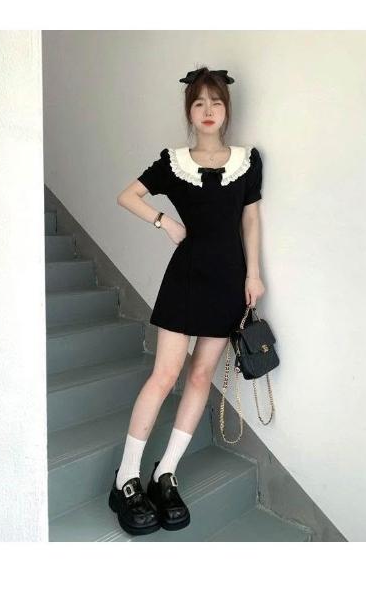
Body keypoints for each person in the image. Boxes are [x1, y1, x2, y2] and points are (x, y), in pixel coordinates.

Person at [110, 66, 265, 536]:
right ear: (189, 112)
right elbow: (127, 196)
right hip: (185, 279)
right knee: (165, 375)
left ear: (226, 109)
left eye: (215, 102)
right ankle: (125, 478)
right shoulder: (174, 162)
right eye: (199, 103)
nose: (208, 110)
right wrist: (164, 222)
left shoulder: (247, 161)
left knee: (200, 376)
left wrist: (253, 275)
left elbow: (251, 220)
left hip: (228, 281)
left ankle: (166, 472)